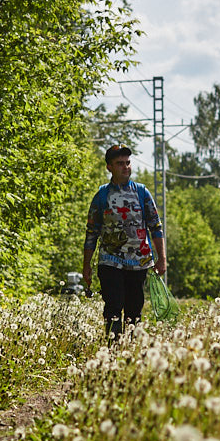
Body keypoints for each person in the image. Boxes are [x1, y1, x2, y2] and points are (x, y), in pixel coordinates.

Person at [83, 144, 167, 339]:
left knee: (134, 311)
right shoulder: (102, 196)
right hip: (109, 261)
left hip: (138, 262)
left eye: (128, 163)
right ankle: (113, 351)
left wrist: (161, 258)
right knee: (113, 307)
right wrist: (86, 265)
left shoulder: (142, 193)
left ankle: (131, 354)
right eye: (120, 163)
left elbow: (156, 226)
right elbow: (91, 232)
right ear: (109, 167)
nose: (125, 167)